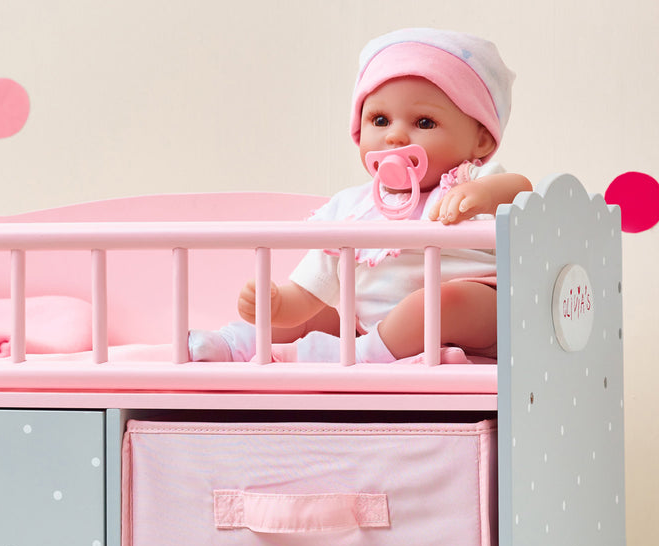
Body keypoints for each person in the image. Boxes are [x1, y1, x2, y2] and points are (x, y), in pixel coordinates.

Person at [188, 28, 532, 364]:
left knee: (437, 303)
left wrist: (485, 193)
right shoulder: (352, 208)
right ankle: (236, 344)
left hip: (479, 316)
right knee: (322, 311)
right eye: (380, 119)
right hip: (371, 327)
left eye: (424, 122)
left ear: (482, 140)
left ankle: (361, 358)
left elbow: (522, 192)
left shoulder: (470, 182)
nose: (395, 136)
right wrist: (280, 305)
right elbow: (313, 285)